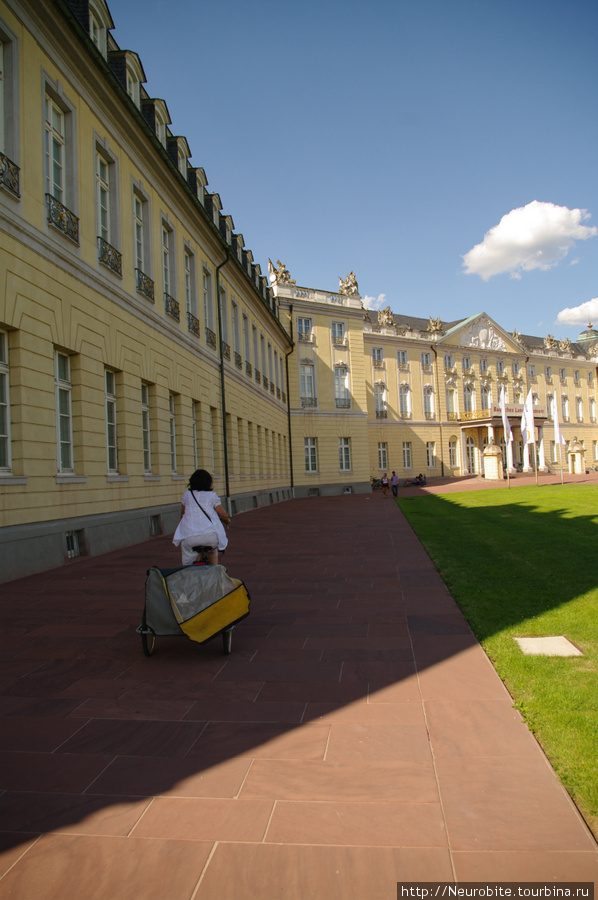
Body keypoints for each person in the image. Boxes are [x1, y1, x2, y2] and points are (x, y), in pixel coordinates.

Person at [172, 469, 231, 566]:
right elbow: (223, 514)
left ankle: (189, 572)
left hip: (190, 537)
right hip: (209, 536)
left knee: (188, 557)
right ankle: (214, 571)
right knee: (212, 551)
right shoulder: (212, 496)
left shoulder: (187, 495)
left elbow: (182, 514)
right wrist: (227, 521)